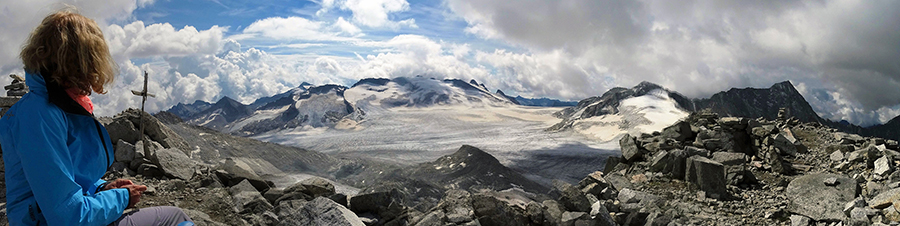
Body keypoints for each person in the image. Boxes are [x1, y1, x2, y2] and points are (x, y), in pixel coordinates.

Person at [0, 8, 193, 226]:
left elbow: (61, 179)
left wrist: (101, 187)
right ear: (80, 62)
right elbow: (69, 217)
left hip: (43, 218)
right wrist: (121, 197)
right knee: (176, 218)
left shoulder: (45, 108)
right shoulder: (42, 117)